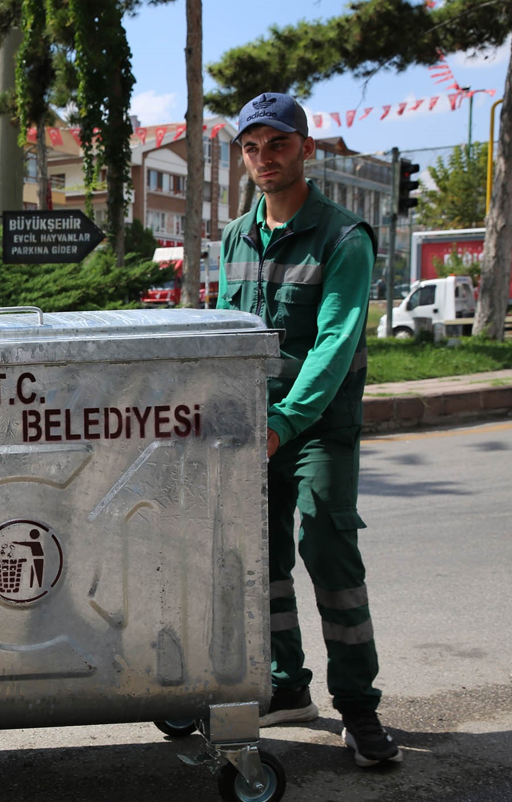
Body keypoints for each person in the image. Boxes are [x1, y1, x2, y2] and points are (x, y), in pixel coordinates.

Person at [217, 92, 401, 767]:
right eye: (251, 148)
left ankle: (359, 706)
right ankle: (285, 683)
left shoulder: (345, 237)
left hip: (316, 424)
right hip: (250, 426)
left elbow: (334, 343)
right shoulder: (236, 237)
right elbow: (223, 337)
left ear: (306, 149)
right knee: (258, 560)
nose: (264, 159)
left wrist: (286, 420)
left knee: (326, 547)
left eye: (278, 144)